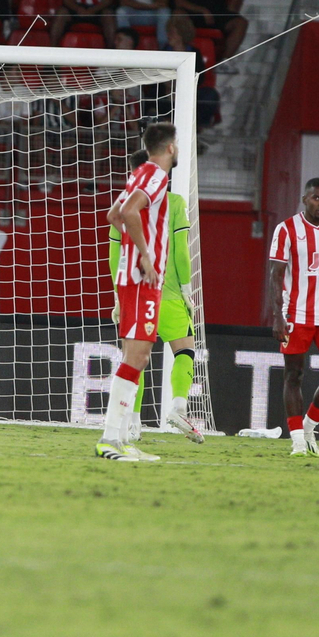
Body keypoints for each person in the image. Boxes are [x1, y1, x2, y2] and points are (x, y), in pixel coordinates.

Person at [107, 148, 203, 445]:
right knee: (185, 352)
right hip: (170, 293)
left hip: (135, 294)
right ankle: (177, 406)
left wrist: (118, 298)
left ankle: (132, 424)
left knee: (135, 358)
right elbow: (182, 253)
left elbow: (115, 255)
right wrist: (187, 289)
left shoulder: (124, 206)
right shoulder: (174, 203)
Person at [96, 121, 178, 461]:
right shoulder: (156, 176)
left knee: (137, 356)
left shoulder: (140, 173)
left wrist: (133, 245)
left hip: (131, 277)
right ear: (171, 148)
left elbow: (114, 214)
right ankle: (110, 439)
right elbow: (126, 212)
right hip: (141, 279)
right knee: (138, 356)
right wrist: (145, 255)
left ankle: (119, 439)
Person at [271, 179, 319, 456]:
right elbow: (276, 275)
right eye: (317, 198)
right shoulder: (286, 229)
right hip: (297, 314)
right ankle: (297, 442)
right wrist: (278, 315)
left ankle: (308, 426)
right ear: (304, 199)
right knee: (294, 375)